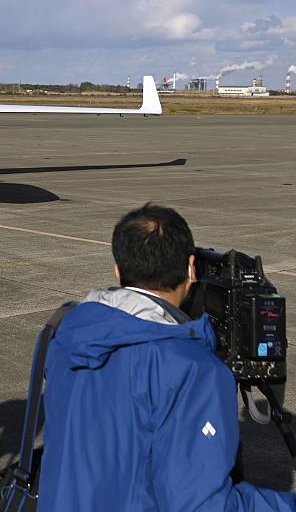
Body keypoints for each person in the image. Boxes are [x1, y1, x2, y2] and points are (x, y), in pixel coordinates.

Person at [39, 203, 296, 510]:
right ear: (191, 269)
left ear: (118, 270)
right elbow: (202, 505)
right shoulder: (190, 368)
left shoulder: (68, 334)